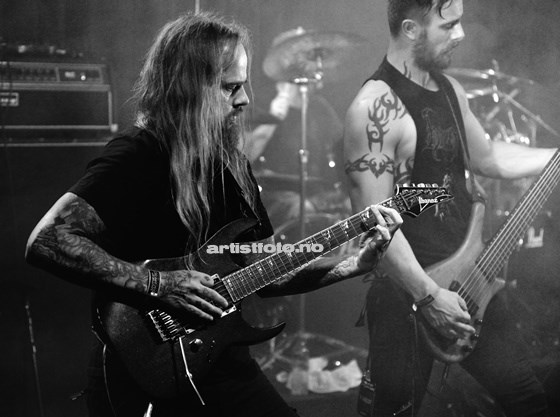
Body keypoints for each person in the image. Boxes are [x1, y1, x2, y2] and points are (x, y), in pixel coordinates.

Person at [24, 12, 402, 417]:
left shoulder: (233, 166)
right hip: (143, 367)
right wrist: (159, 284)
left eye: (243, 85)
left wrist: (350, 264)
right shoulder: (138, 155)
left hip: (220, 360)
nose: (244, 99)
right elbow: (47, 239)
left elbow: (264, 271)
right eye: (230, 87)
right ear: (188, 88)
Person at [343, 1, 556, 416]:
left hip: (472, 282)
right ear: (411, 29)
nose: (461, 35)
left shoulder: (449, 90)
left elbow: (488, 157)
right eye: (449, 25)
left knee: (527, 398)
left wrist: (556, 155)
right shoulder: (374, 109)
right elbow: (376, 226)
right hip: (409, 298)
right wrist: (429, 297)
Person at [244, 28, 344, 229]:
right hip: (271, 193)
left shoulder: (321, 108)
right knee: (299, 207)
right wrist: (276, 115)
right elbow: (246, 155)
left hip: (316, 190)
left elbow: (343, 152)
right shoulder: (261, 101)